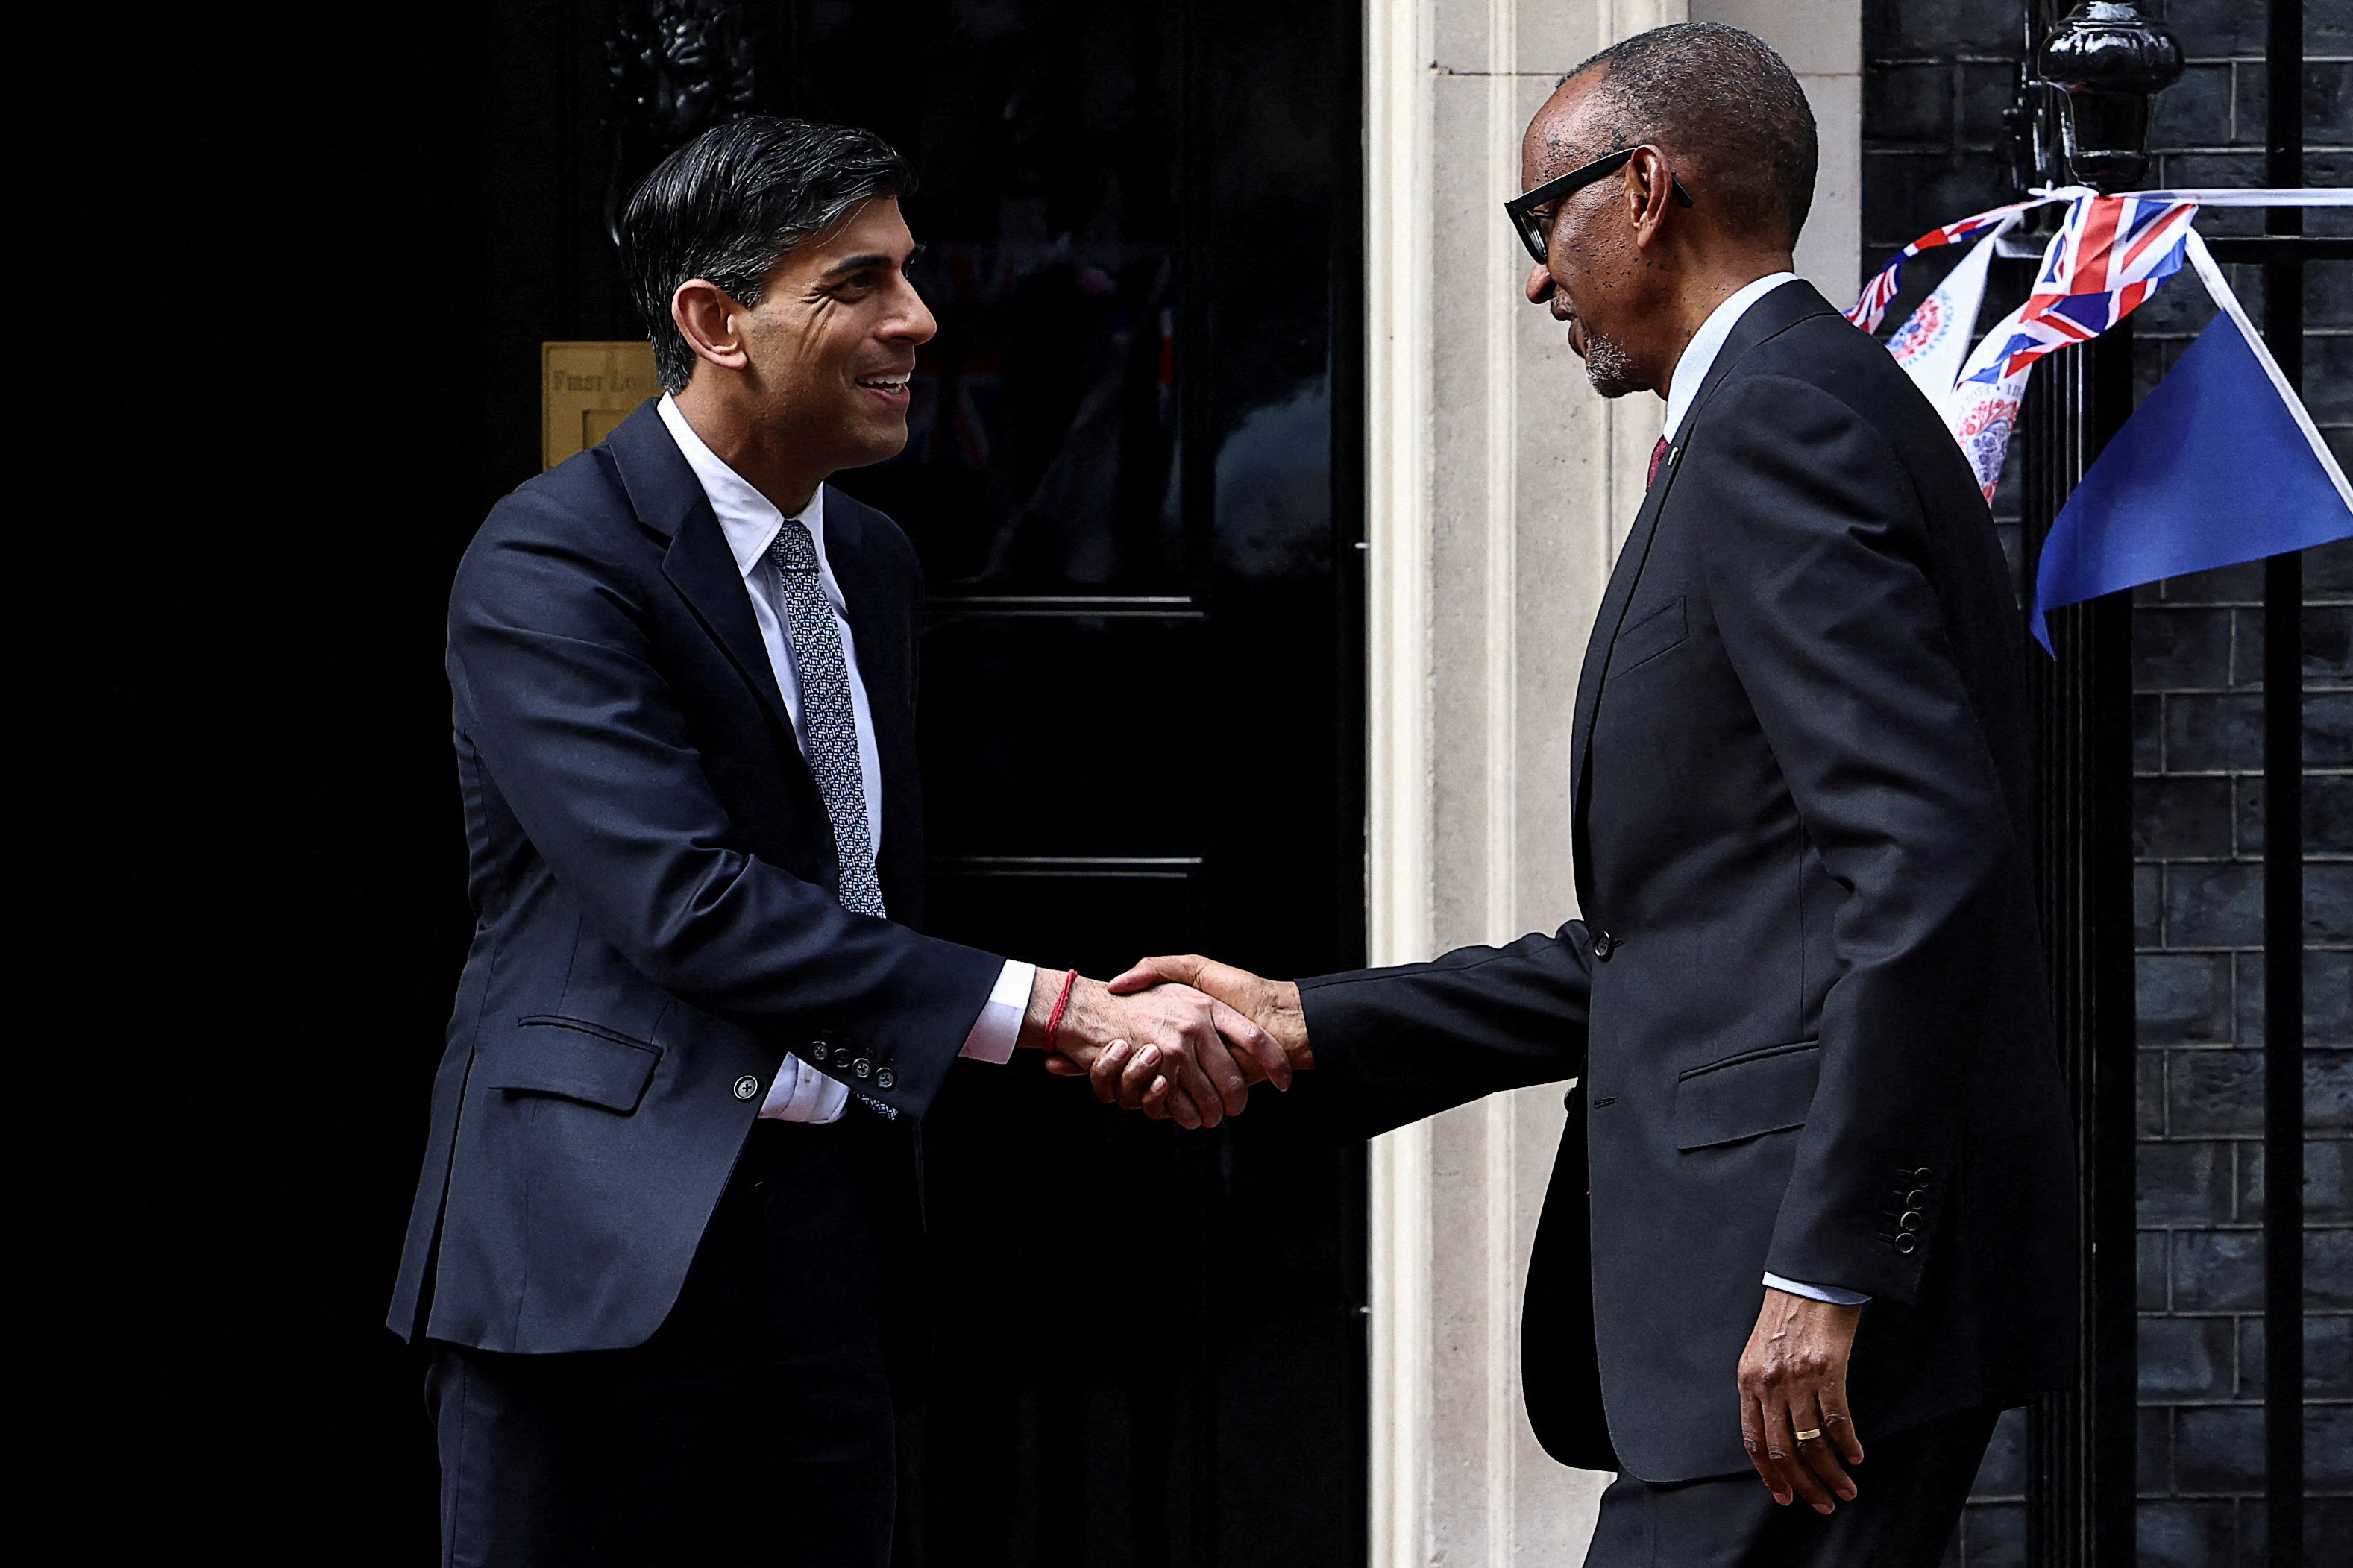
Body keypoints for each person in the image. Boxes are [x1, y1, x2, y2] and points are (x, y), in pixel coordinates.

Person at [1099, 23, 2075, 1567]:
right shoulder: (1793, 407)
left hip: (1786, 1319)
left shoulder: (1782, 428)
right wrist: (1307, 1022)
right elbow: (1685, 935)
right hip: (1754, 1317)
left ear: (1646, 187)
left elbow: (1927, 860)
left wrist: (1824, 1268)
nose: (1539, 277)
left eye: (1539, 222)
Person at [386, 116, 1285, 1568]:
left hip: (831, 1242)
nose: (917, 321)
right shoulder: (551, 559)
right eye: (857, 283)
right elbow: (688, 901)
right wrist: (1055, 1010)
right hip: (592, 1253)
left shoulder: (868, 559)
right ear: (712, 320)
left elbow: (857, 872)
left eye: (909, 277)